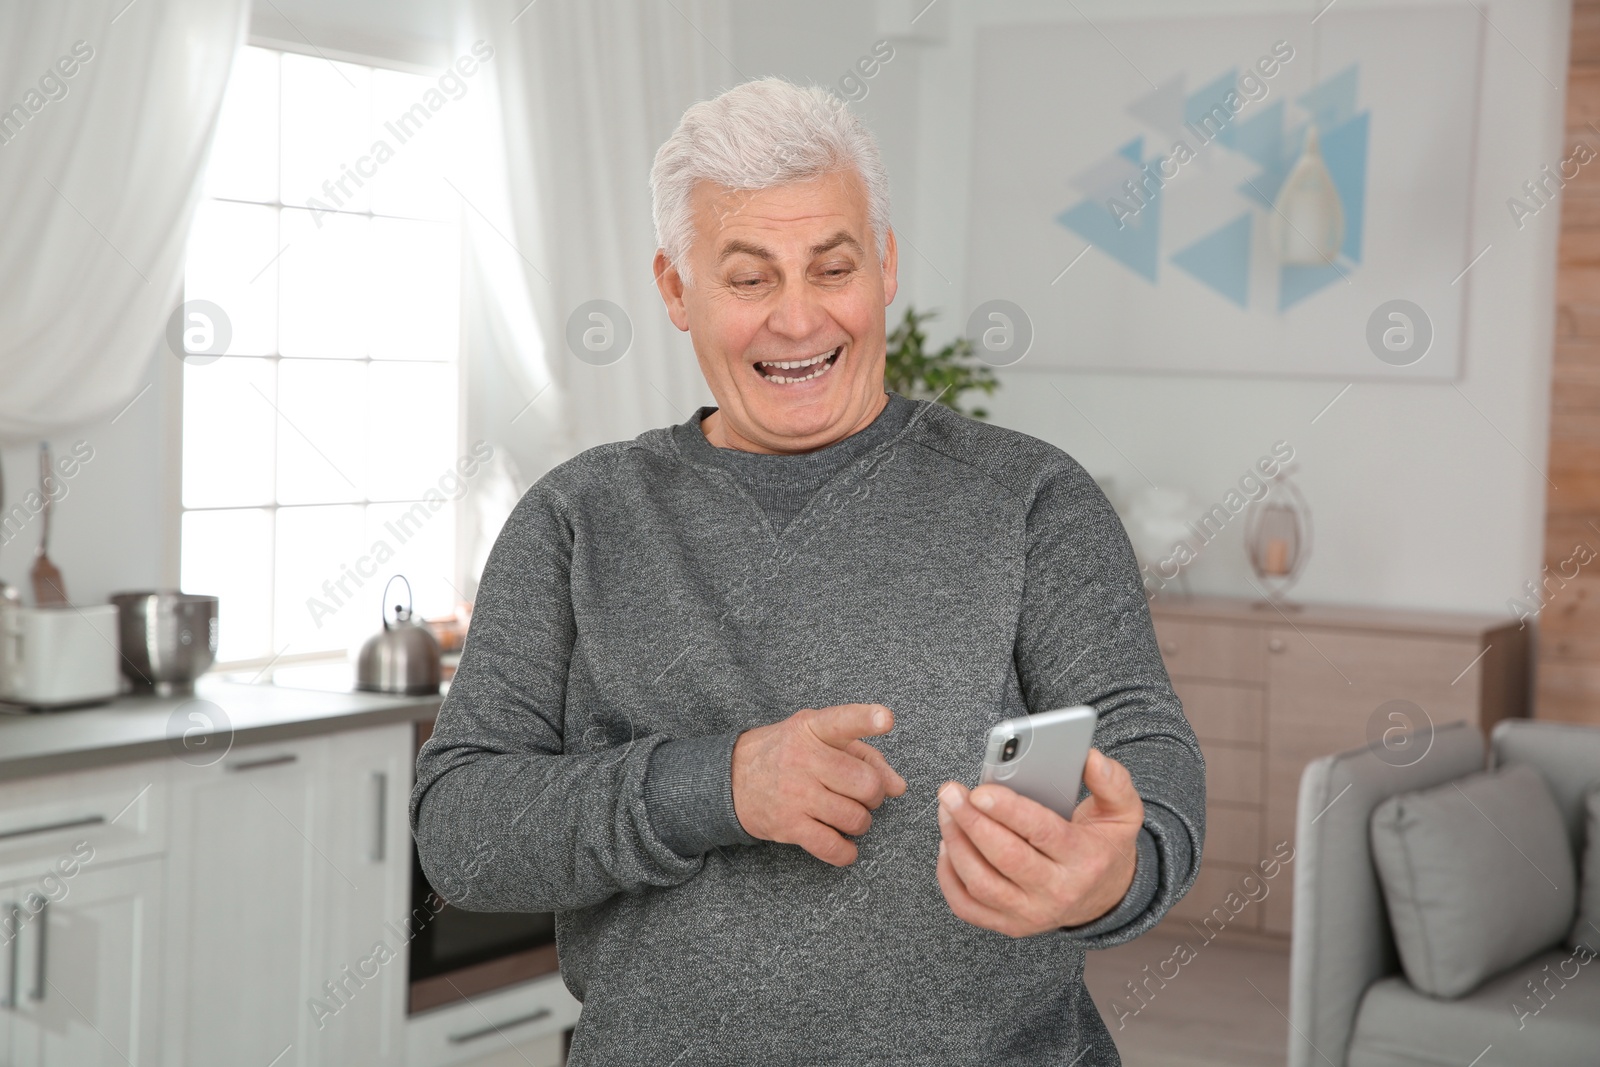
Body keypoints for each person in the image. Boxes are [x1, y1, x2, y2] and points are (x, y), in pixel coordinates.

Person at [411, 75, 1205, 1067]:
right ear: (674, 288)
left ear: (884, 267)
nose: (797, 321)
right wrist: (717, 786)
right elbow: (461, 829)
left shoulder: (1032, 499)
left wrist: (1111, 871)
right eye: (748, 279)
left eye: (831, 270)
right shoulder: (575, 521)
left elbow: (1145, 754)